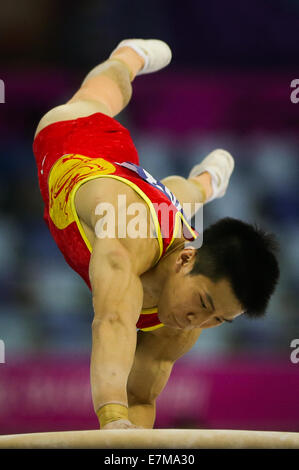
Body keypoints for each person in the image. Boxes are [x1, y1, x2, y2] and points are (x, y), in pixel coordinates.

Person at [33, 39, 279, 430]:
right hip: (80, 143)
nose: (198, 322)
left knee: (175, 198)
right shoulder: (124, 244)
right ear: (186, 260)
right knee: (100, 90)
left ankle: (204, 182)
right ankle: (127, 57)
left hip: (152, 206)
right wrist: (112, 419)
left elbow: (141, 398)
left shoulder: (185, 324)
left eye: (219, 319)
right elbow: (112, 322)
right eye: (204, 303)